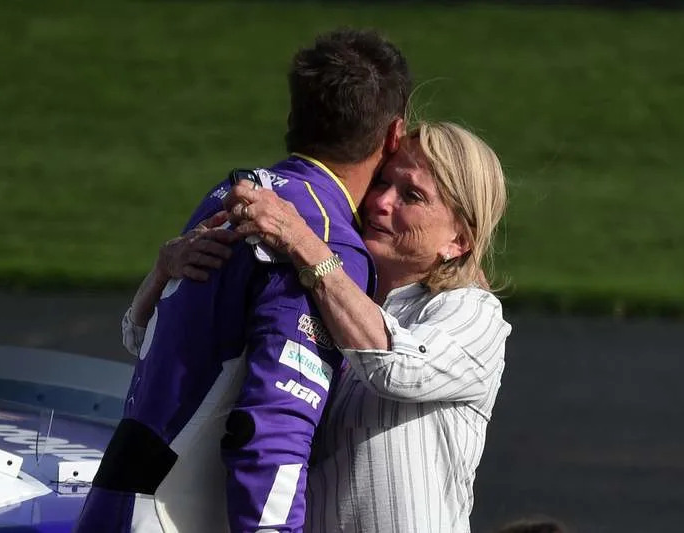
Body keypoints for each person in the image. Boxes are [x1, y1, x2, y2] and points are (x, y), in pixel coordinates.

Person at [74, 28, 412, 533]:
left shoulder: (230, 194)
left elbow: (160, 345)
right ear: (392, 136)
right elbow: (270, 429)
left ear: (293, 115)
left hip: (114, 505)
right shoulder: (321, 242)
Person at [129, 121, 511, 532]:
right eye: (381, 181)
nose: (380, 201)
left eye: (412, 195)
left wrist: (303, 241)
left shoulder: (474, 313)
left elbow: (397, 368)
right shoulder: (331, 292)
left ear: (459, 240)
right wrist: (164, 273)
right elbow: (143, 342)